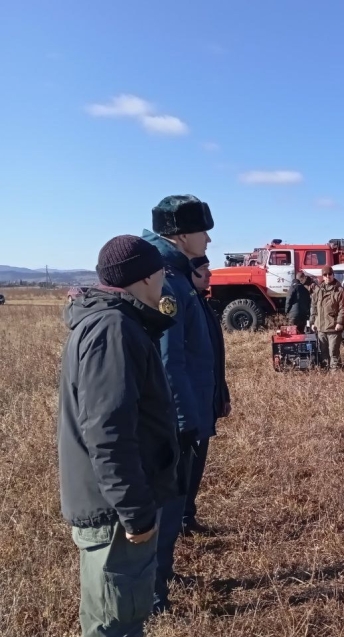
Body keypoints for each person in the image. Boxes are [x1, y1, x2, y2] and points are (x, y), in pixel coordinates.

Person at [58, 235, 179, 637]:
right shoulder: (114, 329)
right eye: (161, 271)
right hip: (115, 513)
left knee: (111, 614)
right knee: (117, 621)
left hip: (111, 505)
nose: (164, 279)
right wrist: (135, 511)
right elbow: (108, 432)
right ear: (146, 277)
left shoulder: (112, 322)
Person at [142, 194, 216, 613]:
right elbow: (170, 360)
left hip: (185, 408)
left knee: (171, 503)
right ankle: (154, 596)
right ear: (182, 235)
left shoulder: (171, 273)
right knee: (166, 503)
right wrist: (187, 419)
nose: (208, 239)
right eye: (203, 231)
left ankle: (160, 575)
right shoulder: (168, 280)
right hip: (175, 417)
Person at [182, 255, 231, 537]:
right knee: (186, 464)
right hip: (191, 399)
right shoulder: (185, 302)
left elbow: (213, 357)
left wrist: (220, 393)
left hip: (204, 395)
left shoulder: (199, 302)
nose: (210, 274)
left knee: (197, 461)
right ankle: (181, 520)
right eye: (203, 270)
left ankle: (187, 516)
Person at [310, 265, 344, 369]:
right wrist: (312, 321)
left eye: (330, 274)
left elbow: (343, 308)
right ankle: (326, 374)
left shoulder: (339, 290)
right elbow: (313, 307)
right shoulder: (318, 290)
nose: (328, 277)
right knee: (323, 352)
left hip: (333, 328)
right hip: (321, 327)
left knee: (333, 352)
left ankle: (335, 375)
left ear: (333, 275)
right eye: (325, 275)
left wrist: (340, 322)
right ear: (322, 276)